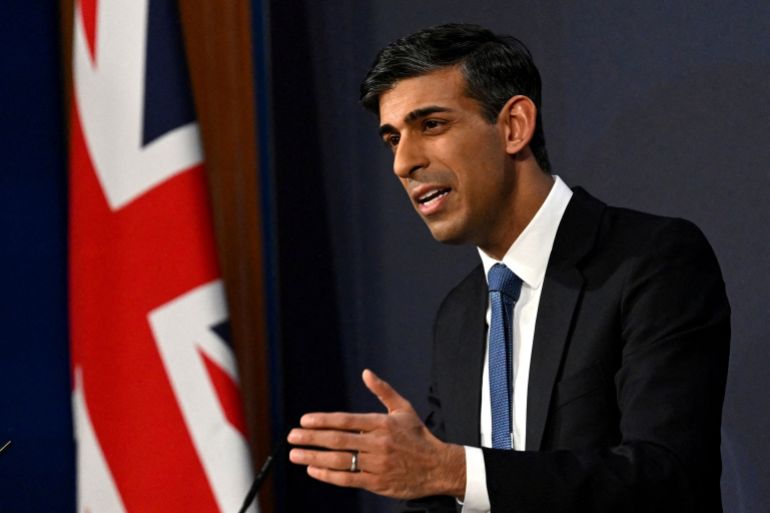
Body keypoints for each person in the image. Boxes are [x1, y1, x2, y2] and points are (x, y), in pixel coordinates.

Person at [287, 23, 730, 513]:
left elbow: (667, 479)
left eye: (430, 124)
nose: (403, 162)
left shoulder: (650, 262)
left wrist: (449, 469)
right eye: (393, 138)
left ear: (514, 126)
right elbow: (453, 496)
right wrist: (427, 481)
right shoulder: (459, 316)